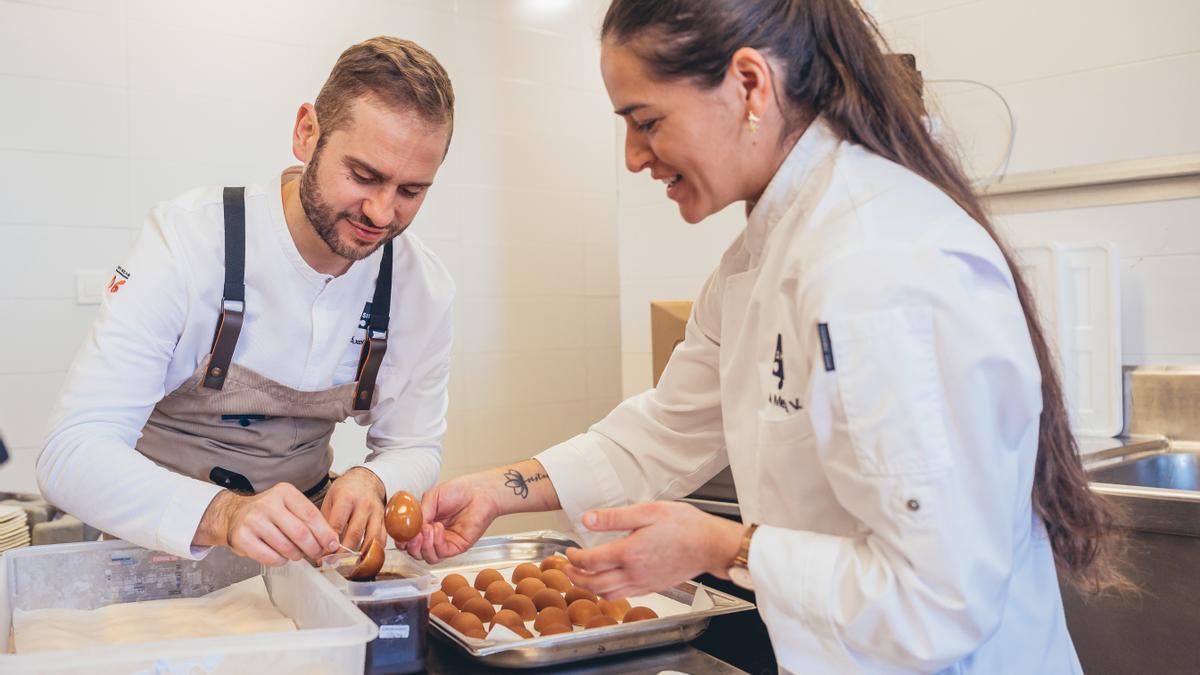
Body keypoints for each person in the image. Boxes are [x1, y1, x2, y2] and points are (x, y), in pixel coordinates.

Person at [403, 1, 1127, 672]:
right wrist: (498, 489)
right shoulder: (759, 260)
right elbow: (665, 428)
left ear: (750, 84)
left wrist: (722, 545)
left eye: (646, 121)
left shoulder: (878, 262)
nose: (632, 156)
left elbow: (938, 600)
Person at [38, 37, 456, 567]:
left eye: (411, 191)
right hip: (153, 551)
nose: (380, 212)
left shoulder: (422, 287)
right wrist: (223, 515)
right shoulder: (188, 242)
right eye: (363, 176)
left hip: (301, 563)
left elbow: (416, 447)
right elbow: (70, 452)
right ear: (307, 133)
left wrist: (373, 478)